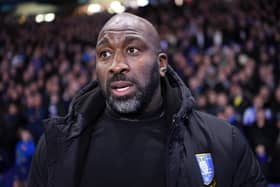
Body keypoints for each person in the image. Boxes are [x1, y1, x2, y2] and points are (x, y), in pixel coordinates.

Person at [28, 13, 266, 187]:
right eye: (105, 54)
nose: (116, 65)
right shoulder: (55, 146)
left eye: (132, 50)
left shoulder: (225, 141)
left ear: (161, 64)